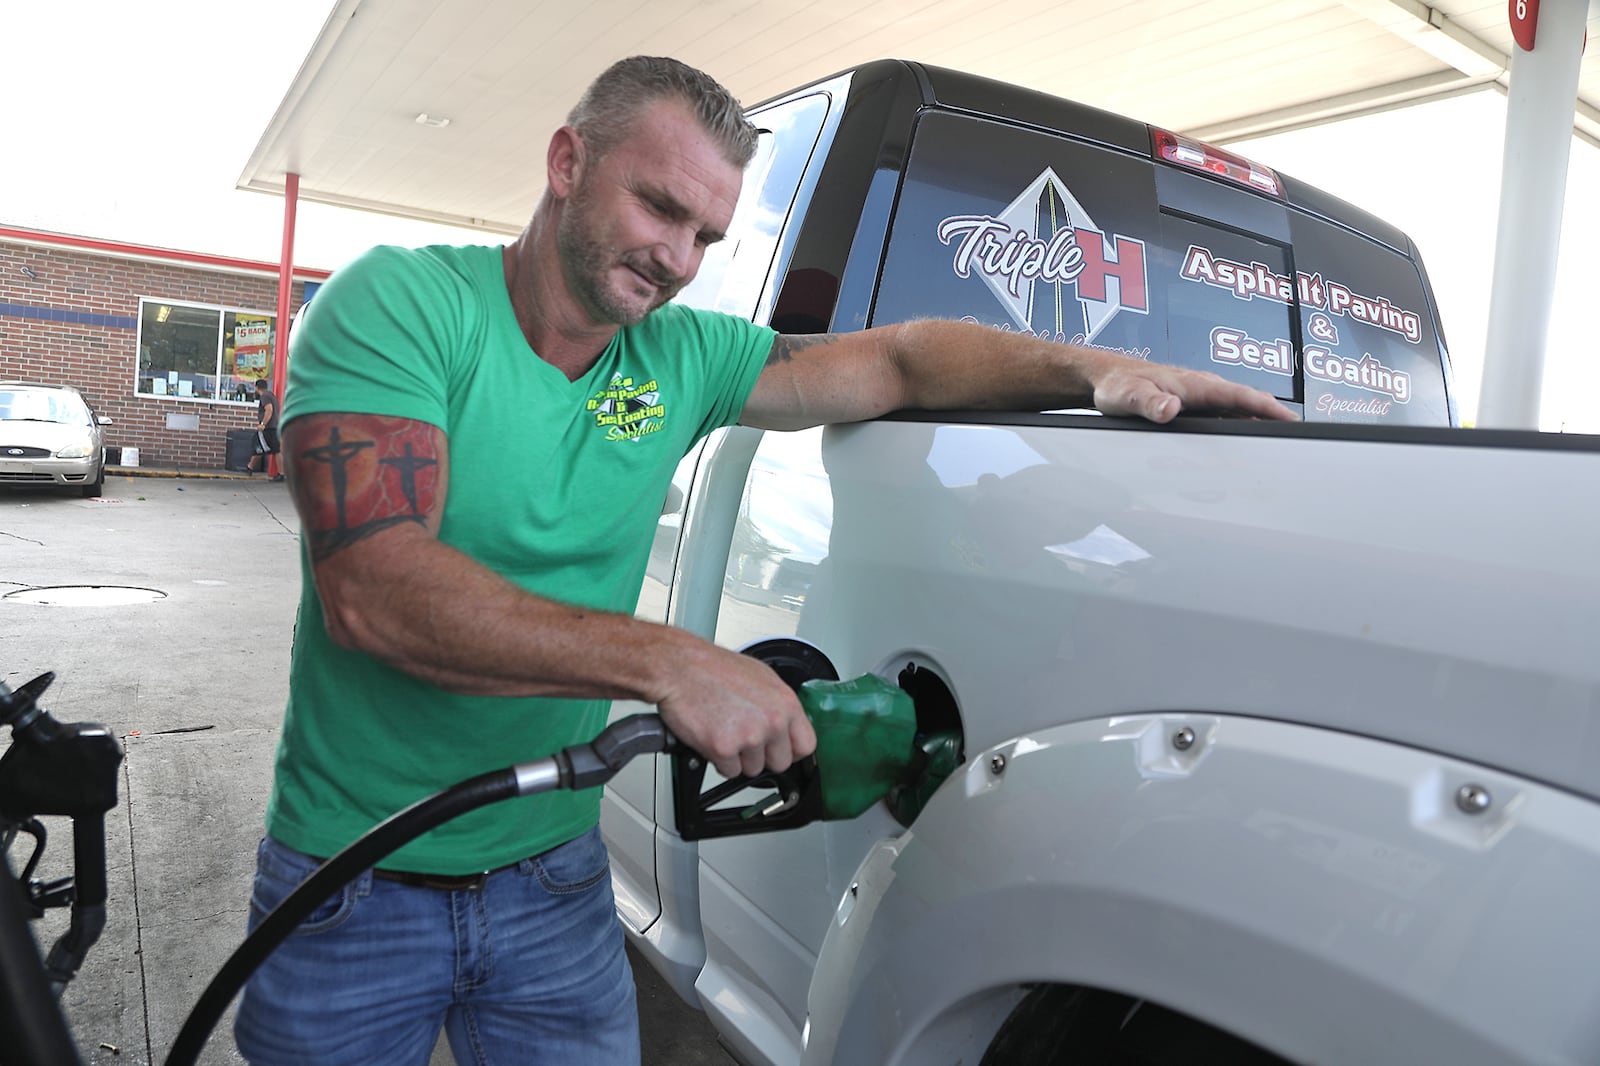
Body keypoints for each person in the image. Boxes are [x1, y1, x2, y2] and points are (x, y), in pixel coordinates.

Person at [235, 56, 1295, 1065]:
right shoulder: (404, 306)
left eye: (705, 233)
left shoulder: (680, 357)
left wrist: (1096, 366)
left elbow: (896, 357)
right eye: (659, 207)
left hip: (552, 876)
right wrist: (672, 662)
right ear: (566, 164)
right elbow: (375, 591)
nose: (677, 258)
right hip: (353, 879)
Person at [250, 377, 282, 479]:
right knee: (263, 448)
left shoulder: (265, 397)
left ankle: (281, 474)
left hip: (269, 427)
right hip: (274, 426)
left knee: (267, 449)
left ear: (257, 387)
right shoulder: (271, 395)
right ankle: (250, 466)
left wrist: (263, 424)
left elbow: (269, 410)